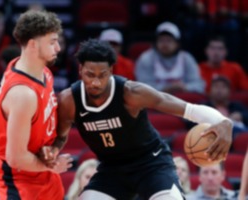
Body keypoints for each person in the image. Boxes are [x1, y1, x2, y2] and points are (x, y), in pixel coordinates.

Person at [45, 39, 232, 200]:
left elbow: (188, 109)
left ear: (110, 70)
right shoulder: (69, 100)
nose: (96, 82)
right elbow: (60, 136)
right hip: (112, 169)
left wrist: (223, 121)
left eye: (102, 75)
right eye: (90, 75)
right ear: (80, 70)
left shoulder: (131, 93)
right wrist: (53, 151)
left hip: (151, 164)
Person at [0, 10, 73, 200]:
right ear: (33, 45)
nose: (58, 47)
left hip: (42, 168)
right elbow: (15, 158)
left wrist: (52, 148)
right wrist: (52, 165)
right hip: (20, 179)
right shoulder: (23, 94)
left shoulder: (42, 71)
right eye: (52, 42)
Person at [135, 21, 205, 94]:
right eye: (161, 40)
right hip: (154, 102)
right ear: (155, 42)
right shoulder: (146, 59)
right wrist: (167, 88)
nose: (165, 44)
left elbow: (199, 86)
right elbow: (142, 87)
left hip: (182, 101)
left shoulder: (186, 58)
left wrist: (185, 87)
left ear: (177, 43)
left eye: (169, 41)